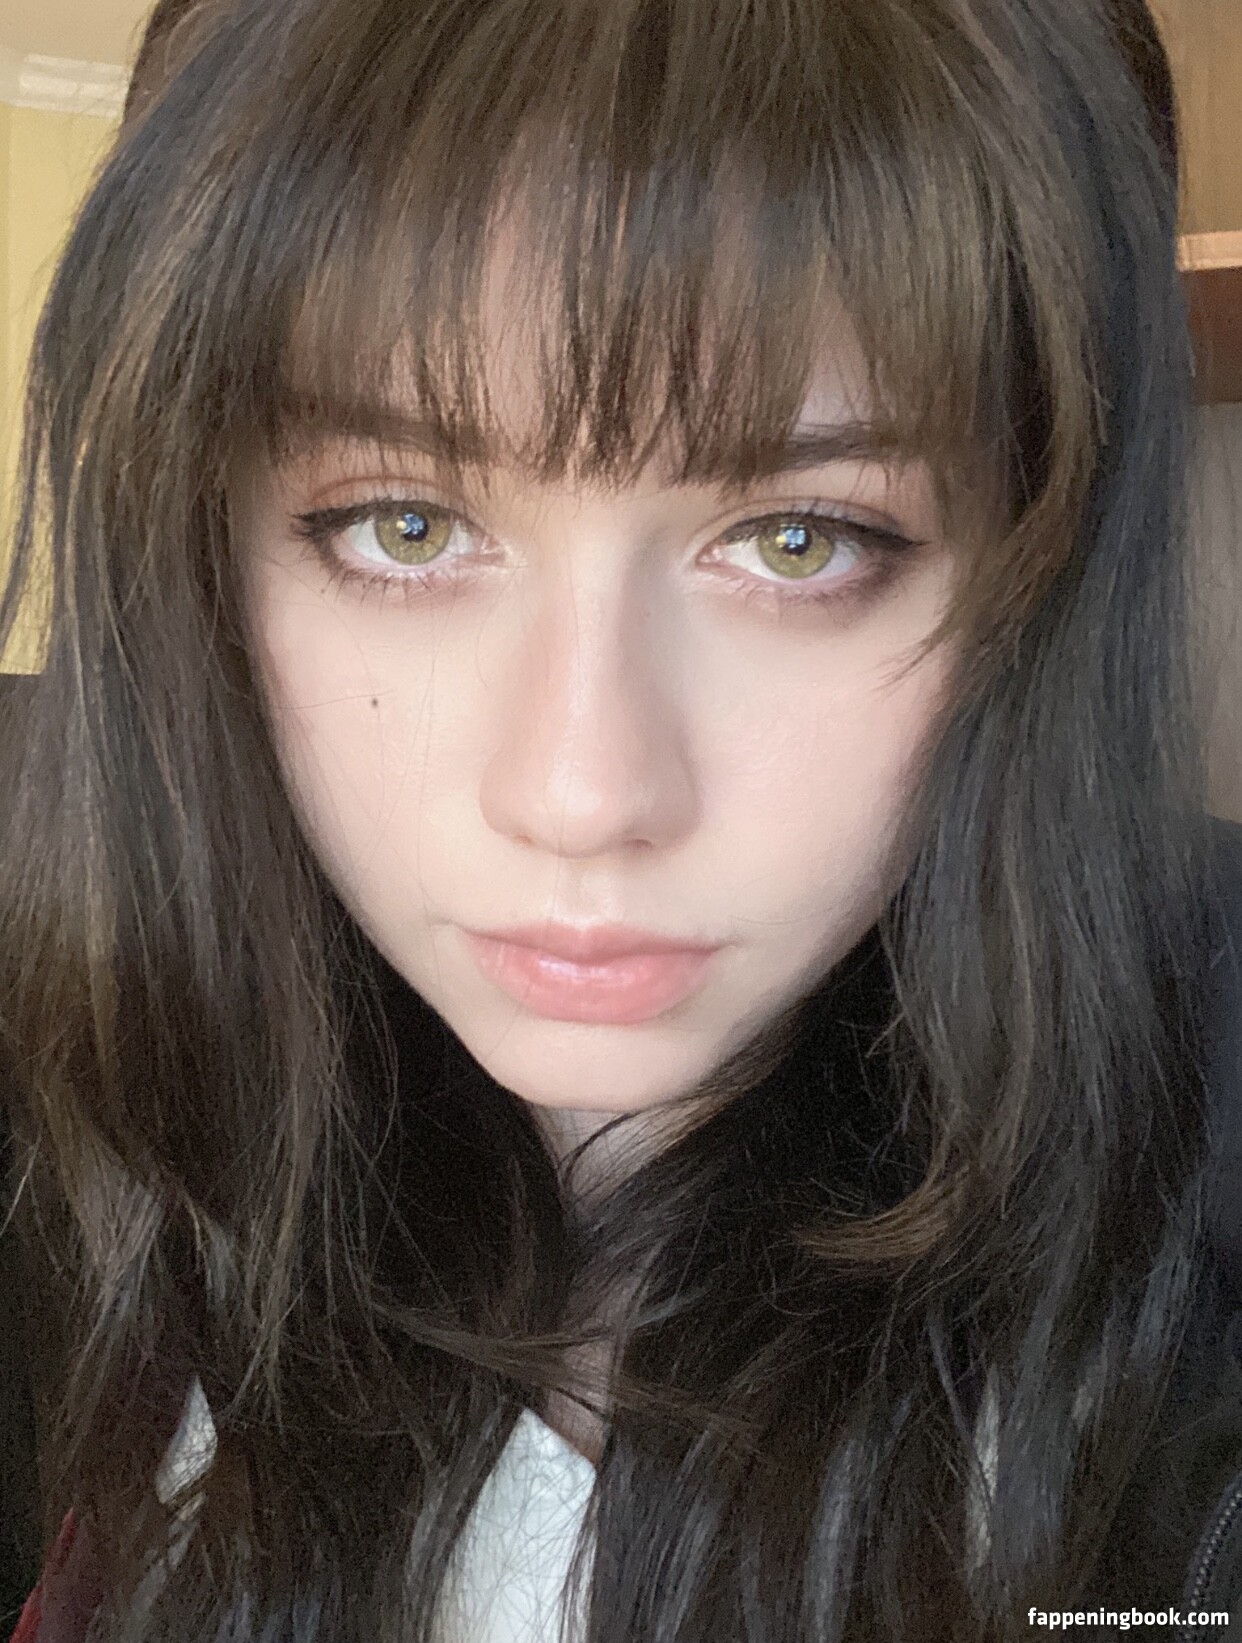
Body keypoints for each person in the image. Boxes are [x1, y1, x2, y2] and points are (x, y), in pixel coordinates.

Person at [1, 0, 1241, 1638]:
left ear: (1041, 571)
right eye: (403, 525)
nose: (581, 795)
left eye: (800, 541)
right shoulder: (80, 1144)